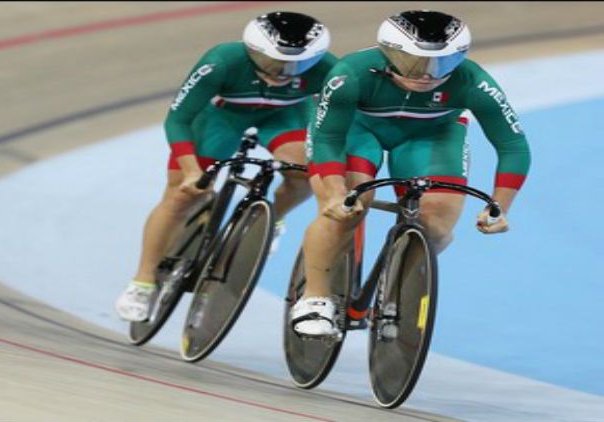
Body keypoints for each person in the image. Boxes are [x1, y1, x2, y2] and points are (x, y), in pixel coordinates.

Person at [291, 10, 531, 337]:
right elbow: (328, 137)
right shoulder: (350, 74)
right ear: (388, 54)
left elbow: (513, 145)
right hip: (358, 131)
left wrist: (501, 207)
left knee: (436, 227)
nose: (428, 75)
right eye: (414, 62)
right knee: (345, 208)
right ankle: (314, 298)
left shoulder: (475, 82)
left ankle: (393, 295)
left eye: (443, 64)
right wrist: (334, 191)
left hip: (431, 136)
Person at [115, 11, 338, 322]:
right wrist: (192, 171)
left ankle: (274, 220)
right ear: (253, 51)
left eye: (299, 65)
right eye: (275, 62)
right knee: (181, 195)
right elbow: (178, 120)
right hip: (223, 118)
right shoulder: (221, 62)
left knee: (300, 172)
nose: (286, 72)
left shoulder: (329, 68)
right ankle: (142, 281)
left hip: (284, 116)